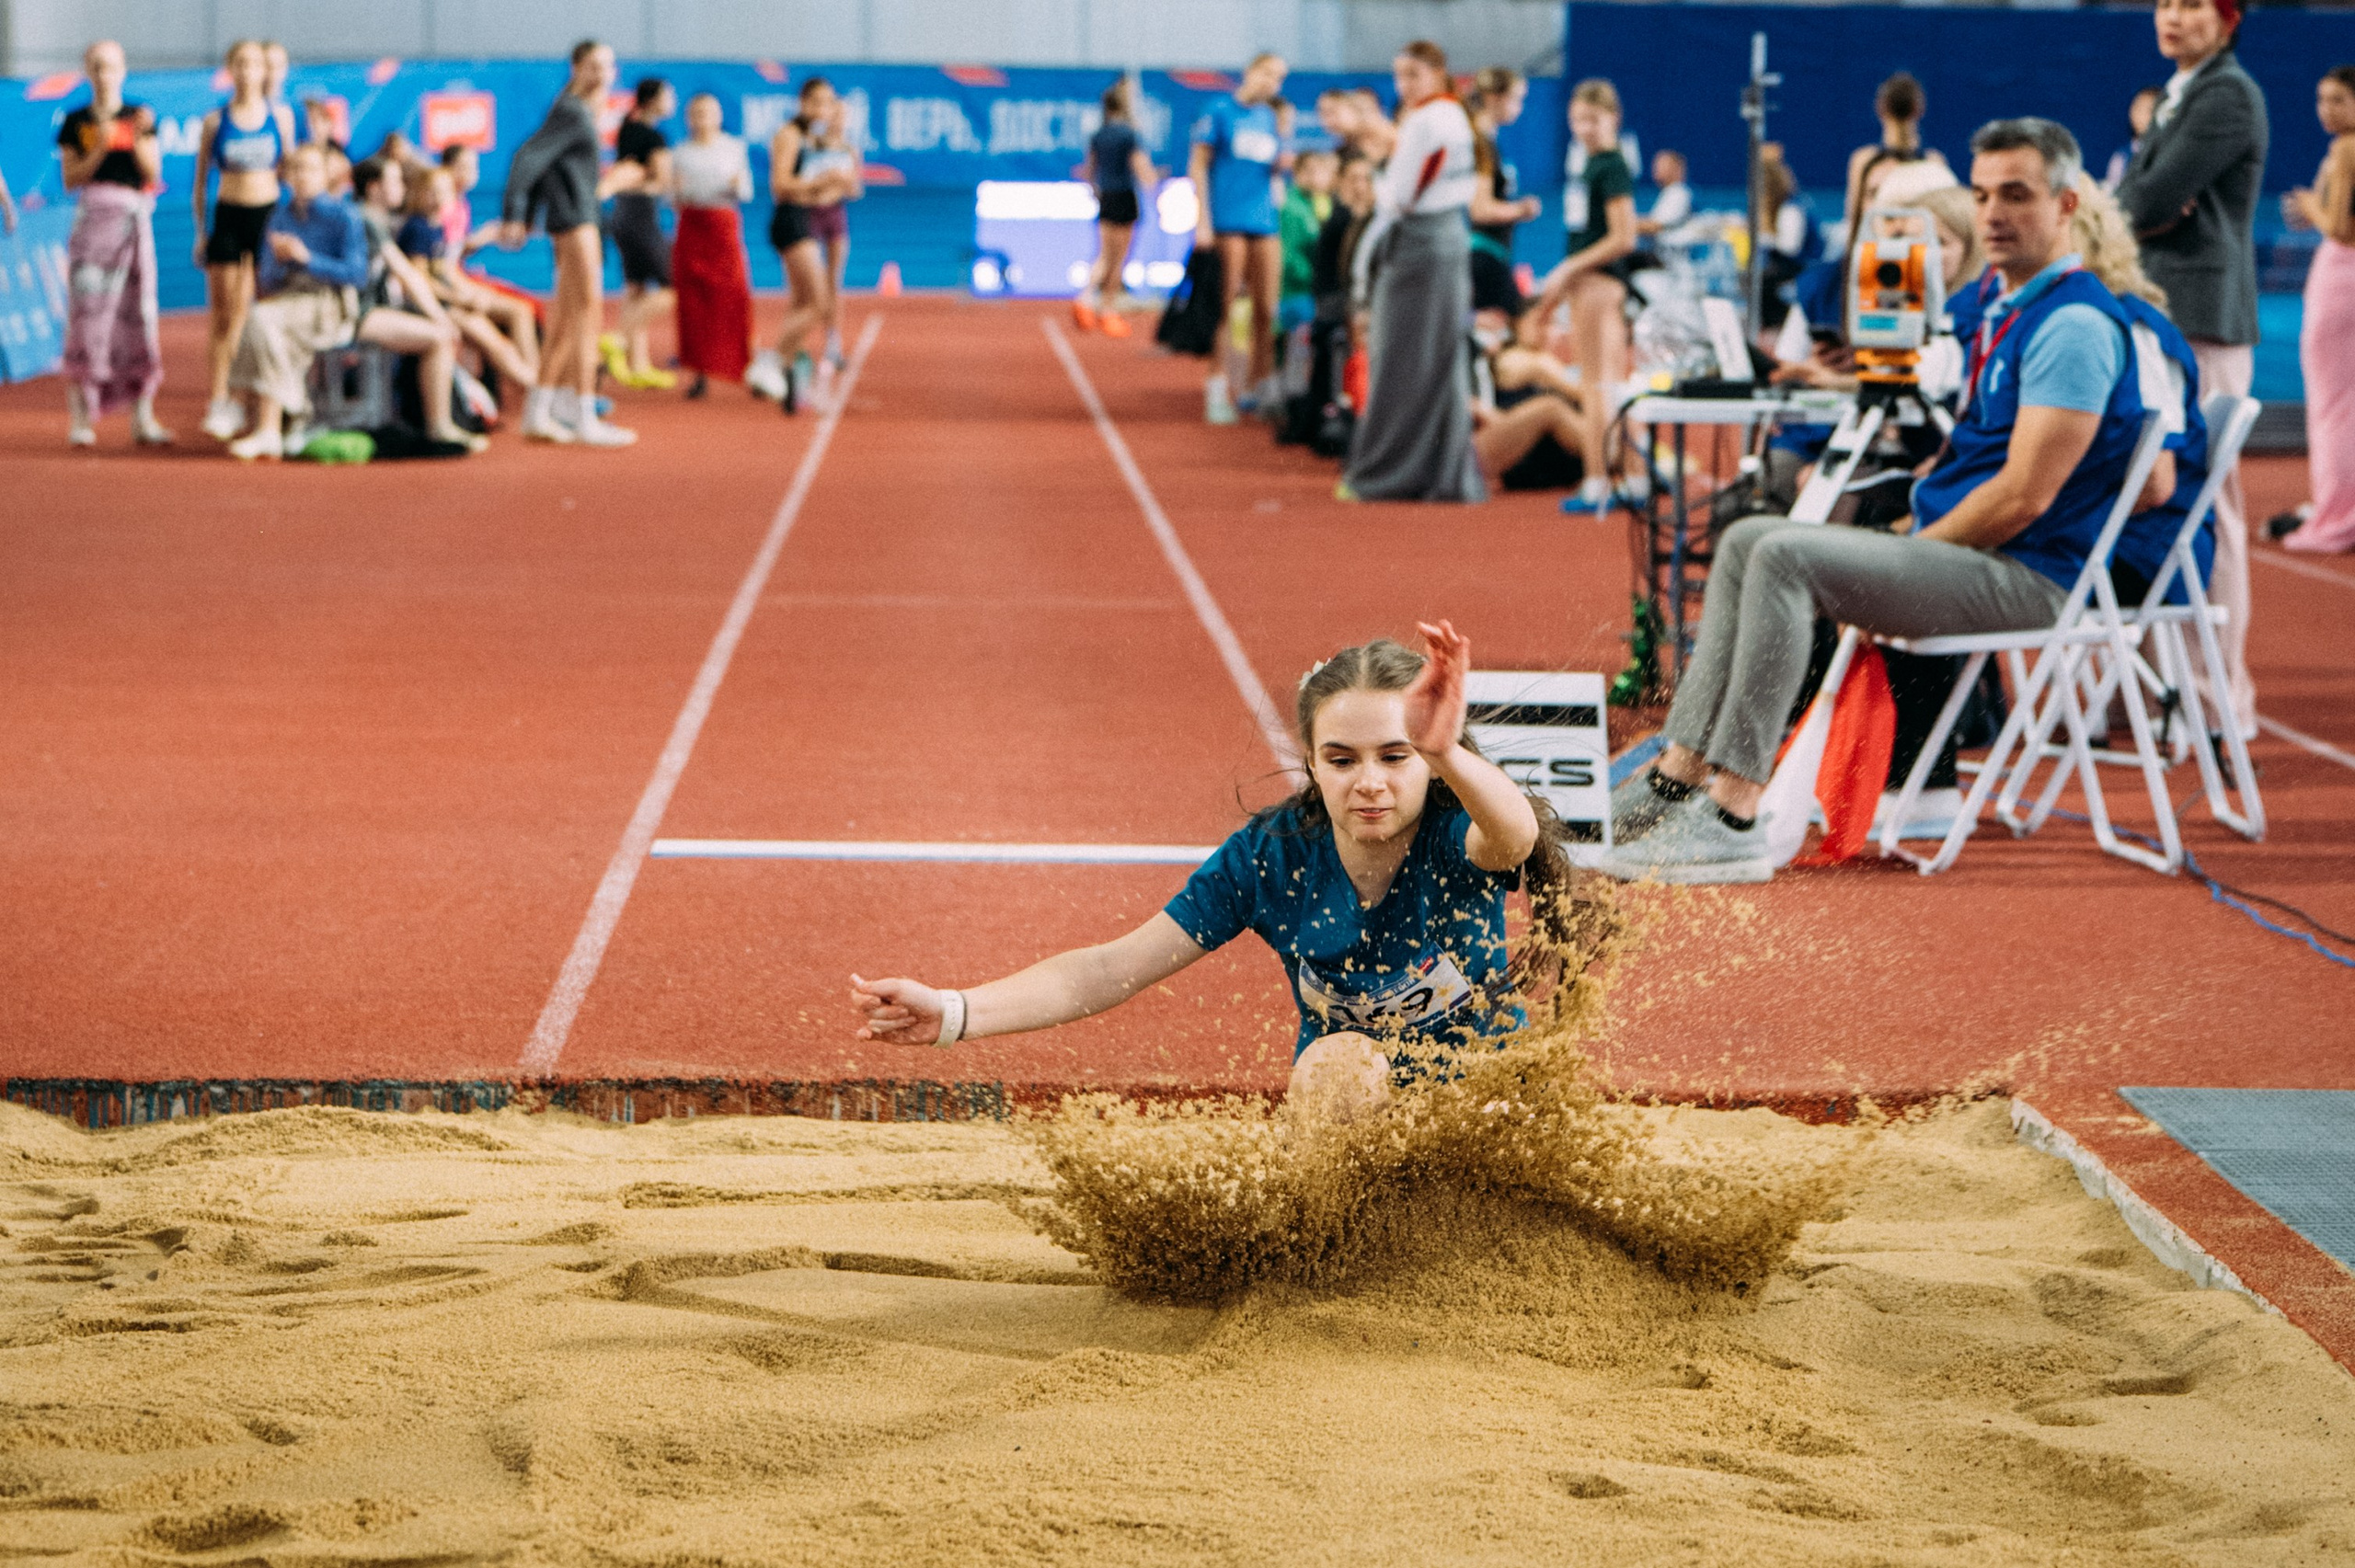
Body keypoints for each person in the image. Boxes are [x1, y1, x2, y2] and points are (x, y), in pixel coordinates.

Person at [1602, 120, 2191, 885]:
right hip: (1981, 555)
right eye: (1981, 195)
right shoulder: (2011, 309)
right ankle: (1674, 776)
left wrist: (1917, 540)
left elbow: (2023, 496)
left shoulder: (2073, 325)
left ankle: (1735, 812)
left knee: (1782, 553)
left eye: (2016, 194)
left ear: (2068, 204)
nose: (1992, 214)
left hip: (2030, 577)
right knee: (1750, 533)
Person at [851, 624, 1596, 1119]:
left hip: (1487, 1104)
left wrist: (1444, 755)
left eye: (1394, 757)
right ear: (1310, 763)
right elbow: (1110, 968)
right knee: (1340, 1064)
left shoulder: (1450, 831)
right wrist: (952, 1012)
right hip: (1351, 1109)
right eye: (1342, 760)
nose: (1369, 782)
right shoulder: (1271, 856)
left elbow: (1516, 834)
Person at [2117, 0, 2267, 738]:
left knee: (2210, 512)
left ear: (2228, 18)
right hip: (2167, 320)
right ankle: (2158, 693)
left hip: (2203, 323)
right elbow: (2139, 206)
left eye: (2190, 4)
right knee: (2158, 502)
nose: (2171, 16)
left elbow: (2140, 199)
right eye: (2163, 2)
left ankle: (2215, 703)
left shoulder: (2227, 94)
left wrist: (2139, 210)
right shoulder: (2181, 92)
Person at [1340, 41, 1482, 504]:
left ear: (1439, 73)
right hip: (1445, 243)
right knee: (1438, 363)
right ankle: (1442, 475)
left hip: (1419, 247)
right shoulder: (1454, 116)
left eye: (1414, 75)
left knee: (1399, 363)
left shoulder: (1426, 121)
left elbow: (1397, 199)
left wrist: (1380, 160)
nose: (1404, 86)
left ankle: (1385, 474)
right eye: (1399, 76)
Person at [499, 40, 635, 448]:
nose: (601, 73)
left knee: (567, 320)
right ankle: (583, 410)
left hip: (577, 217)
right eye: (592, 65)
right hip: (576, 222)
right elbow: (528, 159)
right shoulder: (572, 112)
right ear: (576, 67)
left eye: (608, 66)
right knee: (587, 317)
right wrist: (515, 214)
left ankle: (540, 410)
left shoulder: (577, 112)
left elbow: (547, 166)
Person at [55, 40, 168, 449]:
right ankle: (81, 419)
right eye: (97, 66)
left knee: (140, 318)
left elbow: (152, 173)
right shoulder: (74, 122)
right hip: (92, 226)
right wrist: (101, 145)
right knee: (86, 321)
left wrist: (135, 138)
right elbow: (71, 179)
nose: (105, 74)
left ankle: (143, 418)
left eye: (112, 66)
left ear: (123, 70)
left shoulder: (140, 116)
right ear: (88, 70)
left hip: (133, 224)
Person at [223, 143, 366, 460]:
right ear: (285, 175)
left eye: (310, 168)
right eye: (296, 168)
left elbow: (357, 274)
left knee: (261, 321)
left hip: (328, 301)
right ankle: (274, 427)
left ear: (326, 173)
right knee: (262, 323)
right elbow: (268, 282)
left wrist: (307, 258)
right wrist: (279, 261)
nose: (302, 176)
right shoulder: (279, 217)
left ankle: (241, 405)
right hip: (288, 299)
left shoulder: (344, 215)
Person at [1534, 79, 1637, 515]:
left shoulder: (1610, 166)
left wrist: (1567, 268)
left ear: (1613, 118)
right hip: (1592, 281)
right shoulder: (1592, 165)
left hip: (1595, 282)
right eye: (1577, 119)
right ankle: (1632, 477)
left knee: (1596, 385)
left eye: (1592, 119)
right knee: (1611, 383)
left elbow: (1622, 238)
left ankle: (1598, 480)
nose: (1583, 128)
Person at [191, 40, 298, 441]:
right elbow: (201, 181)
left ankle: (266, 397)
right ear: (230, 69)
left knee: (267, 312)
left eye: (254, 64)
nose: (248, 71)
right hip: (230, 217)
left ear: (263, 70)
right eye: (240, 63)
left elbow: (290, 168)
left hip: (267, 217)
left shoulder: (281, 116)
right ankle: (222, 401)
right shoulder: (215, 122)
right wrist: (202, 232)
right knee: (225, 316)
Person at [2274, 66, 2355, 553]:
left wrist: (2310, 203)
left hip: (2340, 278)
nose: (2327, 110)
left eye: (2339, 100)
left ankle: (2333, 518)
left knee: (2331, 408)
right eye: (2322, 99)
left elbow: (2341, 229)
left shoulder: (2346, 148)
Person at [1189, 52, 1290, 424]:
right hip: (1227, 219)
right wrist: (1202, 221)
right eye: (1267, 73)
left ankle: (1256, 384)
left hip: (1264, 219)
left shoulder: (1269, 118)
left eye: (1279, 78)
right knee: (1226, 306)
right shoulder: (1219, 110)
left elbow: (1273, 168)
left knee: (1266, 307)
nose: (1272, 83)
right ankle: (1217, 385)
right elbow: (1198, 165)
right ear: (1250, 71)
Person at [747, 77, 856, 414]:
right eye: (817, 102)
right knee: (821, 302)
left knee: (802, 302)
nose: (823, 109)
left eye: (829, 102)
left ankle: (785, 368)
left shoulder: (816, 138)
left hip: (804, 219)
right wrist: (821, 182)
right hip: (791, 222)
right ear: (803, 103)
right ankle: (771, 360)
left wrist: (832, 186)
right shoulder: (790, 134)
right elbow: (780, 185)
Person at [396, 163, 539, 406]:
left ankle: (540, 388)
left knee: (515, 318)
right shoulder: (417, 228)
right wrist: (460, 299)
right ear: (420, 193)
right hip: (433, 307)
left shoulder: (436, 225)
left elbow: (446, 271)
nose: (439, 196)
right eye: (432, 190)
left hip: (449, 301)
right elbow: (419, 281)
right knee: (496, 344)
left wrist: (471, 294)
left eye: (444, 190)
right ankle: (540, 393)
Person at [668, 91, 754, 397]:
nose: (703, 119)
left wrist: (728, 187)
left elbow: (744, 190)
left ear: (719, 116)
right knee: (693, 301)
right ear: (689, 118)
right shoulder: (679, 153)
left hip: (723, 226)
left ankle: (740, 365)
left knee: (733, 295)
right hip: (692, 226)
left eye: (709, 112)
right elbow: (673, 196)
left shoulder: (734, 148)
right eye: (697, 112)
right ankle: (698, 370)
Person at [603, 77, 677, 391]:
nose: (672, 100)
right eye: (668, 94)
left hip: (621, 214)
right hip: (641, 216)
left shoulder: (625, 127)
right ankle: (616, 339)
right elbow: (662, 182)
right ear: (653, 100)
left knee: (635, 289)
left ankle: (639, 365)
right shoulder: (654, 137)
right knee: (670, 288)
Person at [798, 87, 865, 409]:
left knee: (834, 282)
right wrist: (823, 179)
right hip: (812, 214)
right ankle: (805, 344)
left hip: (836, 217)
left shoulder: (850, 150)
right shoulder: (812, 145)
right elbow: (803, 182)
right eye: (834, 114)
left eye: (844, 116)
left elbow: (856, 190)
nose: (838, 120)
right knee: (814, 285)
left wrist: (842, 181)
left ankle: (833, 342)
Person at [1076, 80, 1156, 338]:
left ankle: (1085, 298)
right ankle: (1108, 310)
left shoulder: (1098, 135)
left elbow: (1088, 170)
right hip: (1124, 197)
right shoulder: (1129, 135)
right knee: (1119, 258)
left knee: (1103, 255)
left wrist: (1095, 190)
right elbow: (1141, 168)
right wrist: (1152, 179)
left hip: (1106, 197)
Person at [1466, 67, 1543, 321]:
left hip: (1493, 253)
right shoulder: (1481, 145)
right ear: (1493, 98)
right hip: (1483, 255)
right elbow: (1480, 208)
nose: (1520, 107)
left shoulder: (1488, 142)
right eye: (1516, 99)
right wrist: (1522, 209)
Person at [1843, 73, 1947, 236]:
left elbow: (1853, 222)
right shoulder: (1934, 163)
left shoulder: (1864, 161)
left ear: (1880, 108)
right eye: (1875, 194)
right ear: (1919, 109)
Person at [1278, 147, 1338, 336]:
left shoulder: (1315, 203)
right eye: (1313, 170)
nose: (1321, 177)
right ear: (1299, 173)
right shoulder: (1291, 208)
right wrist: (1315, 278)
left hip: (1308, 294)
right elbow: (1287, 256)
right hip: (1294, 297)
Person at [2104, 86, 2165, 191]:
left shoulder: (2169, 153)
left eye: (2149, 110)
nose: (2140, 115)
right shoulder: (2121, 156)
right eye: (2137, 107)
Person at [1638, 149, 1691, 239]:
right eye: (1656, 165)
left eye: (1662, 165)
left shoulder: (1678, 193)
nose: (1656, 169)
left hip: (1671, 252)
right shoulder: (1668, 192)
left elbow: (1655, 226)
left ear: (1677, 168)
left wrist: (1621, 224)